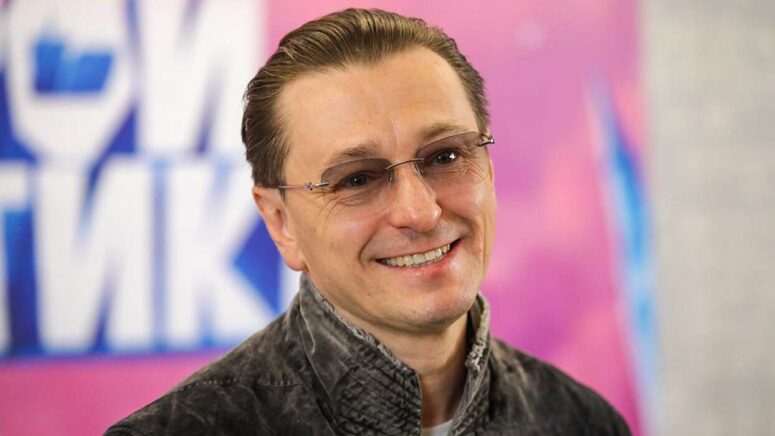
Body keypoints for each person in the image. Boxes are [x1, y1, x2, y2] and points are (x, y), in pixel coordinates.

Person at [107, 8, 631, 435]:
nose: (419, 212)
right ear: (281, 222)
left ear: (489, 170)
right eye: (357, 179)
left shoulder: (582, 422)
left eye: (446, 156)